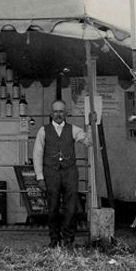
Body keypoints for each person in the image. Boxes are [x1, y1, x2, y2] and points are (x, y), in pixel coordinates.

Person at [33, 100, 94, 248]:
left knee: (71, 208)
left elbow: (88, 141)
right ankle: (54, 240)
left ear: (66, 113)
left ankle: (68, 240)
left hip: (69, 173)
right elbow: (37, 154)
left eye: (61, 111)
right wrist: (40, 177)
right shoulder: (43, 131)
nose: (58, 114)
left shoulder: (73, 129)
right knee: (52, 208)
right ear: (51, 113)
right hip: (51, 173)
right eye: (55, 111)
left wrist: (92, 125)